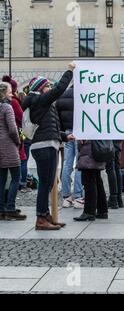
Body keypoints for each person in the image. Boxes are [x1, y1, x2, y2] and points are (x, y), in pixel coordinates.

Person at [22, 62, 76, 230]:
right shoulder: (38, 100)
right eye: (48, 86)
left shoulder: (42, 103)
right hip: (44, 147)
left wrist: (65, 136)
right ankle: (40, 219)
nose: (50, 88)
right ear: (41, 88)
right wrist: (69, 71)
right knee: (45, 183)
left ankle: (46, 216)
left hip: (48, 144)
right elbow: (59, 89)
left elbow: (49, 129)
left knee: (48, 183)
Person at [0, 82, 26, 221]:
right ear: (4, 93)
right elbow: (12, 129)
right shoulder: (7, 107)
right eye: (10, 91)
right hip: (8, 146)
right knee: (16, 177)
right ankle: (10, 208)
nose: (12, 93)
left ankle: (1, 208)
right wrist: (18, 141)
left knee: (2, 178)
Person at [56, 86, 84, 209]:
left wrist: (63, 132)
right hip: (80, 132)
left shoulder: (62, 95)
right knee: (79, 164)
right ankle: (78, 195)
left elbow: (57, 116)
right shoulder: (83, 94)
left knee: (67, 163)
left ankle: (66, 196)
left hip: (67, 133)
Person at [74, 140, 108, 221]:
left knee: (89, 180)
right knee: (97, 179)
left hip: (89, 150)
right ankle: (102, 210)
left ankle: (89, 212)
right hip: (97, 149)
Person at [106, 141, 123, 209]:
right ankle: (119, 199)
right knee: (117, 167)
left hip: (110, 140)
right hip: (117, 137)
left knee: (110, 168)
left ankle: (113, 198)